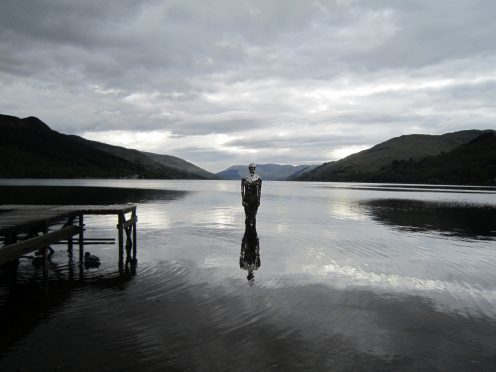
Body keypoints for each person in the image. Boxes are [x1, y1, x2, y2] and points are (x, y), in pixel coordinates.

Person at [241, 163, 262, 227]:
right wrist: (243, 200)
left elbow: (259, 191)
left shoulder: (259, 178)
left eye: (253, 168)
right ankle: (247, 233)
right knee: (247, 217)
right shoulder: (244, 178)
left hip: (255, 200)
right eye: (251, 168)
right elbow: (242, 190)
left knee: (253, 217)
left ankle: (253, 233)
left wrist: (258, 201)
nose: (252, 169)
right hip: (247, 200)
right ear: (249, 169)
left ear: (255, 169)